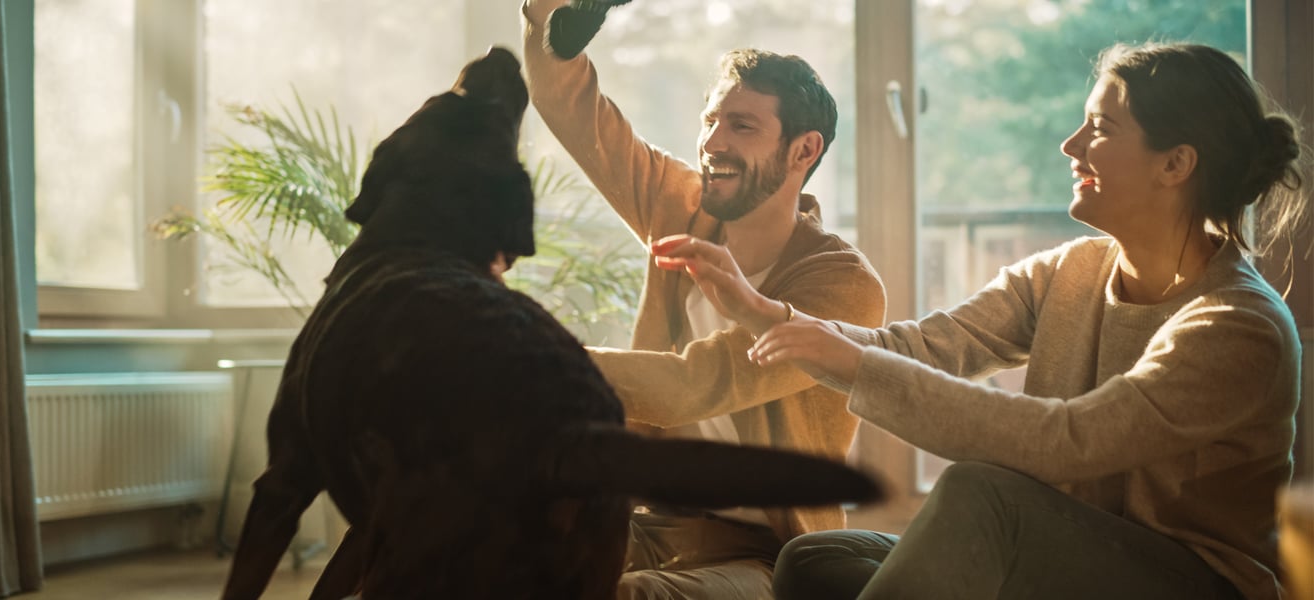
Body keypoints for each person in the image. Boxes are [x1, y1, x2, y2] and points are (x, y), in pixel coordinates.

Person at [653, 42, 1307, 599]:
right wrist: (769, 315)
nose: (1070, 144)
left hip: (1193, 583)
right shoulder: (1069, 272)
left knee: (978, 494)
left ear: (1176, 164)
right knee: (814, 561)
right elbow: (927, 347)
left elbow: (1065, 441)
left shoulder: (1237, 325)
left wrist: (849, 362)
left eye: (1100, 130)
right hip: (1063, 550)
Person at [522, 0, 887, 598]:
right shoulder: (682, 208)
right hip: (642, 519)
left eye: (741, 126)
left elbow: (700, 384)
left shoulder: (842, 286)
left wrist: (529, 358)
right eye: (710, 119)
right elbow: (576, 114)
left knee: (632, 596)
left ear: (803, 151)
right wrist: (548, 22)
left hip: (766, 554)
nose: (712, 141)